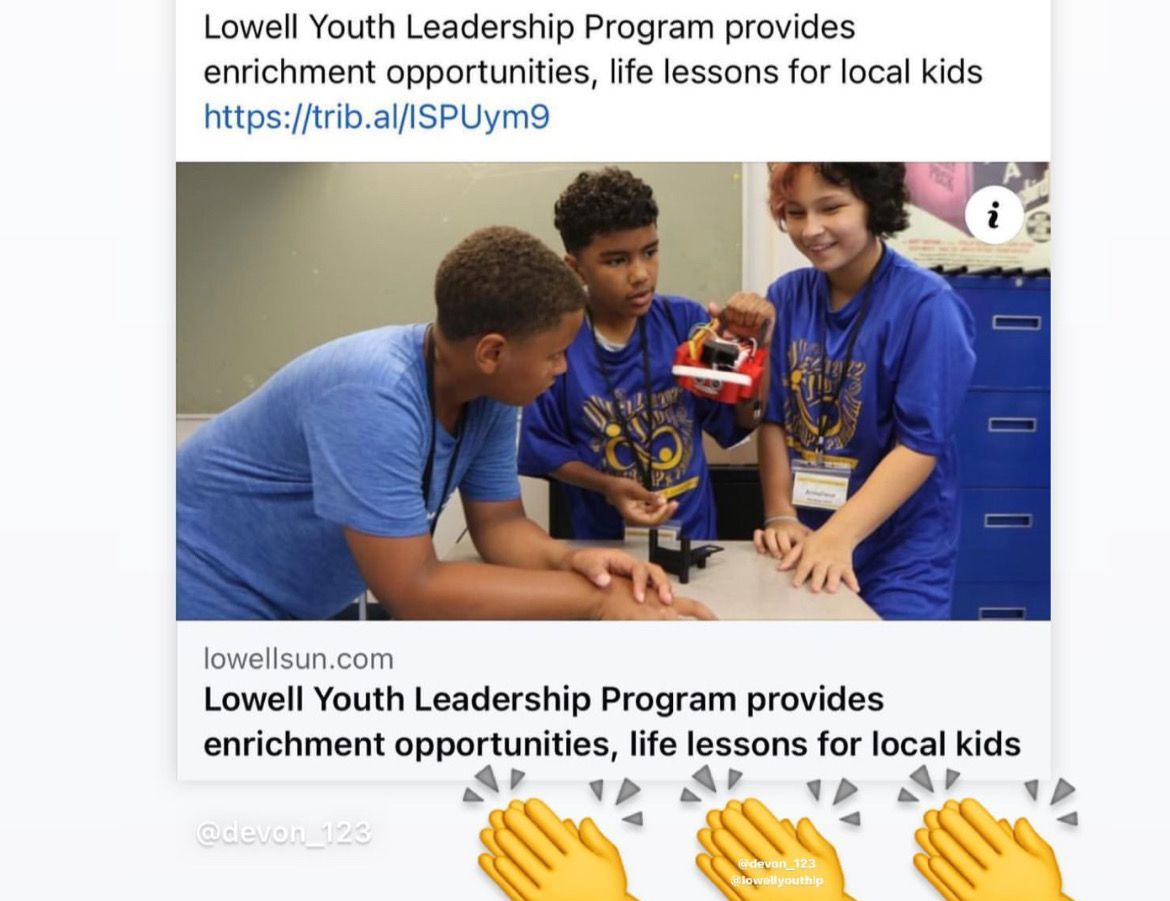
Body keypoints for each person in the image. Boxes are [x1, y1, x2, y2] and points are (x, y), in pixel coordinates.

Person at [178, 225, 713, 621]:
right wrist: (597, 603)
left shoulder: (492, 394)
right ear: (492, 351)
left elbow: (500, 527)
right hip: (201, 595)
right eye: (554, 354)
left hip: (289, 605)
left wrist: (583, 565)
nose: (563, 367)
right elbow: (414, 590)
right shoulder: (372, 395)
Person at [755, 163, 975, 619]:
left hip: (902, 552)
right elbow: (774, 417)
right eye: (795, 213)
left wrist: (840, 536)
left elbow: (919, 444)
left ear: (874, 203)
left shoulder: (928, 306)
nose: (810, 229)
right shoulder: (786, 296)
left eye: (831, 208)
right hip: (808, 534)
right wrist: (780, 513)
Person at [519, 168, 772, 542]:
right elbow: (545, 450)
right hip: (604, 547)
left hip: (695, 541)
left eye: (650, 252)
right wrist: (608, 486)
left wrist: (754, 348)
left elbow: (741, 419)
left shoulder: (687, 324)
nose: (641, 274)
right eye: (617, 260)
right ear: (576, 268)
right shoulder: (558, 344)